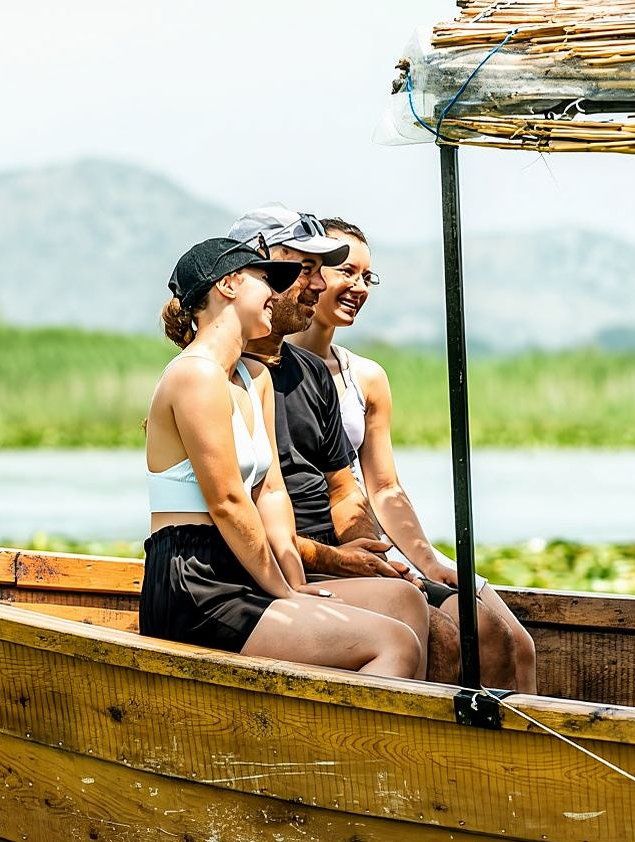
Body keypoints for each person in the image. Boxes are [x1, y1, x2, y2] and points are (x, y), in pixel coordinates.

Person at [142, 236, 426, 678]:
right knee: (392, 643)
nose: (278, 294)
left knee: (404, 600)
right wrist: (285, 594)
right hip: (195, 580)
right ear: (230, 285)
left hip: (250, 568)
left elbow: (270, 492)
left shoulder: (255, 377)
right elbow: (229, 503)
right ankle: (349, 747)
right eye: (266, 280)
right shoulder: (194, 375)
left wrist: (294, 581)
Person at [229, 204, 481, 684]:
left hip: (314, 556)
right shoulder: (218, 375)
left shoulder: (310, 375)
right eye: (307, 272)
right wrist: (338, 560)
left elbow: (345, 489)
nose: (318, 285)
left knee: (462, 630)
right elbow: (241, 514)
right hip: (260, 569)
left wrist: (378, 556)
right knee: (412, 616)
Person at [288, 217, 537, 692]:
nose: (358, 287)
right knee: (465, 636)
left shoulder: (366, 376)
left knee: (513, 641)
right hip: (316, 541)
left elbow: (383, 488)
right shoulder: (268, 370)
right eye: (346, 271)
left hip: (376, 534)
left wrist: (426, 559)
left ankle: (521, 756)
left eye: (367, 277)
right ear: (310, 273)